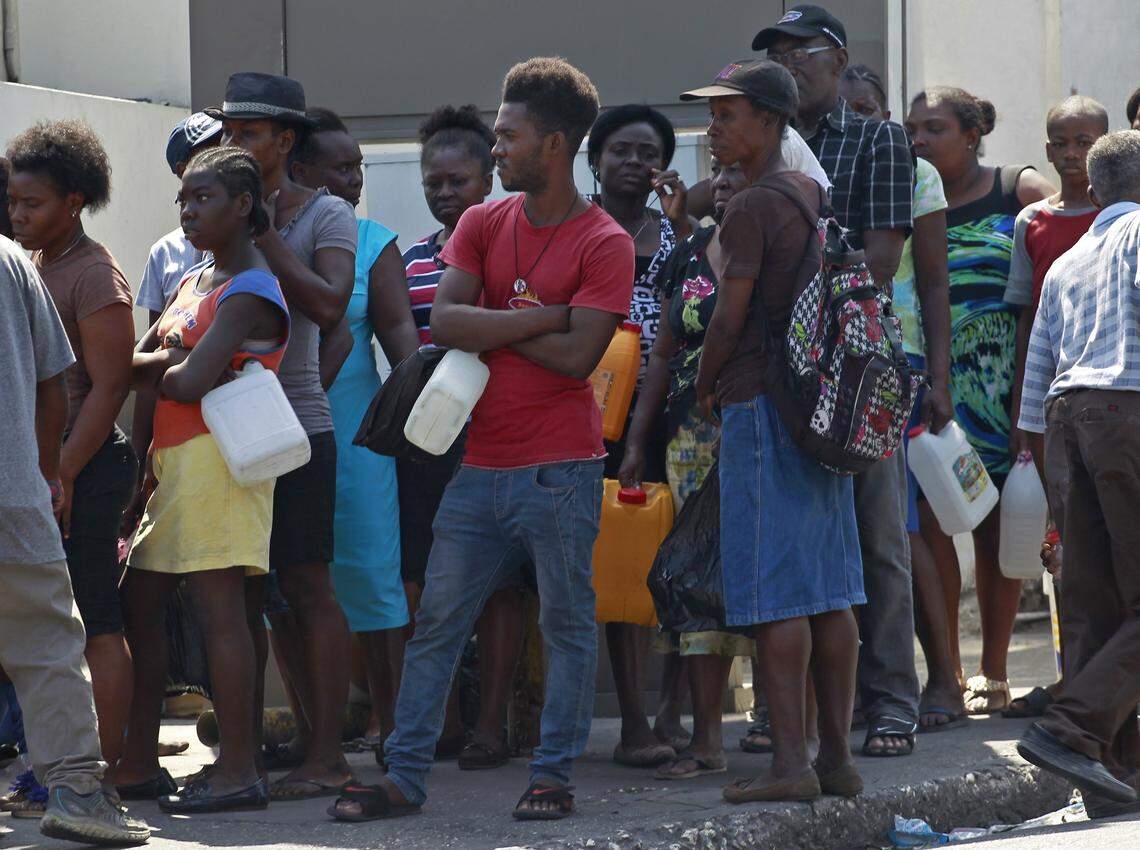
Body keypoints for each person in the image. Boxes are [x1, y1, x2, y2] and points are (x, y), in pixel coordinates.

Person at [330, 56, 632, 822]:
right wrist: (541, 314)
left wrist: (501, 325)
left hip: (560, 471)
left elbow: (578, 359)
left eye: (509, 136)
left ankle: (552, 777)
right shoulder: (482, 222)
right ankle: (402, 779)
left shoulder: (605, 241)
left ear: (555, 144)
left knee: (566, 625)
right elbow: (450, 323)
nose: (496, 150)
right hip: (477, 463)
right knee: (437, 624)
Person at [679, 58, 864, 804]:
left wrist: (703, 383)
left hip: (761, 402)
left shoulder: (752, 205)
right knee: (829, 592)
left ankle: (789, 766)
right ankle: (835, 760)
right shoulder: (810, 192)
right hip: (821, 412)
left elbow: (728, 313)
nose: (714, 129)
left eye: (727, 114)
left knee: (779, 595)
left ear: (768, 122)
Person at [751, 3, 918, 757]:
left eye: (801, 51)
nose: (789, 64)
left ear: (839, 56)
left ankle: (891, 704)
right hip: (776, 371)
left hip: (856, 367)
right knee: (792, 539)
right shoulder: (763, 146)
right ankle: (793, 715)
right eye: (776, 54)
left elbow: (879, 263)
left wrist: (791, 293)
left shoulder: (880, 139)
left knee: (876, 538)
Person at [116, 147, 291, 813]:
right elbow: (161, 369)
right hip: (172, 466)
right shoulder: (196, 281)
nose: (188, 211)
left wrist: (163, 360)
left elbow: (183, 379)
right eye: (183, 201)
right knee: (141, 607)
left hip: (220, 466)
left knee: (222, 613)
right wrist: (140, 464)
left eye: (203, 198)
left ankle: (238, 771)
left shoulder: (251, 289)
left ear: (243, 206)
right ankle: (137, 763)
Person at [211, 72, 358, 800]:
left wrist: (263, 232)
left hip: (298, 424)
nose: (232, 143)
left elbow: (332, 308)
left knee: (307, 586)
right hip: (226, 435)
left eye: (247, 134)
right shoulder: (216, 209)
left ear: (285, 141)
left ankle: (329, 755)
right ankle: (258, 751)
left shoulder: (324, 215)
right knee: (243, 594)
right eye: (227, 132)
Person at [905, 86, 1055, 715]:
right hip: (935, 387)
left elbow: (1069, 230)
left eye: (933, 128)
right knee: (936, 526)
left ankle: (996, 673)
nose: (918, 141)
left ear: (971, 135)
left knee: (998, 532)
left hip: (1003, 387)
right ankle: (950, 673)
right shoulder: (906, 194)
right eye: (912, 129)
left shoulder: (1014, 188)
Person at [0, 232, 149, 845]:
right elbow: (52, 384)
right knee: (48, 645)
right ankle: (79, 792)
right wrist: (43, 475)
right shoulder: (11, 260)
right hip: (12, 491)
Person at [7, 120, 137, 793]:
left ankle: (100, 777)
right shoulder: (30, 265)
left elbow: (108, 386)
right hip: (41, 470)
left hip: (84, 465)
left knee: (92, 621)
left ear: (74, 203)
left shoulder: (93, 272)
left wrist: (63, 472)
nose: (18, 215)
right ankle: (49, 767)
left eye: (33, 204)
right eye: (14, 203)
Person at [1015, 129, 1140, 818]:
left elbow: (1038, 373)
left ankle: (1111, 775)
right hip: (1128, 410)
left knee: (1097, 605)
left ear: (1093, 188)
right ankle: (1073, 729)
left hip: (1066, 421)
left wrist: (1039, 463)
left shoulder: (1069, 256)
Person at [620, 155, 755, 781]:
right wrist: (635, 445)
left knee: (760, 580)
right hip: (689, 441)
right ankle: (701, 736)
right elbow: (662, 355)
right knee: (689, 578)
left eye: (741, 177)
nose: (726, 186)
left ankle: (788, 730)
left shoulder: (791, 249)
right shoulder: (690, 251)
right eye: (719, 177)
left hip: (762, 438)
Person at [401, 104, 527, 769]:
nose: (446, 193)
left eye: (459, 180)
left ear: (489, 181)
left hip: (502, 435)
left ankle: (491, 726)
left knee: (500, 585)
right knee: (425, 581)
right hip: (431, 440)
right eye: (435, 182)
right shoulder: (412, 259)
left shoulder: (516, 251)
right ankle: (442, 722)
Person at [837, 65, 962, 733]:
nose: (856, 121)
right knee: (854, 533)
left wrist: (938, 379)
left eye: (868, 110)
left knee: (900, 532)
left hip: (898, 358)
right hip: (830, 360)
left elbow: (935, 284)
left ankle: (941, 677)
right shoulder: (814, 160)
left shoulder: (912, 172)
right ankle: (859, 686)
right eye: (846, 110)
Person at [290, 106, 419, 751]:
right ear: (301, 170)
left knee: (372, 572)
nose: (353, 179)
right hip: (285, 432)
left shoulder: (373, 242)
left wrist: (416, 428)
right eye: (340, 168)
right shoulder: (271, 242)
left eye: (359, 167)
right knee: (297, 581)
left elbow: (401, 339)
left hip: (361, 434)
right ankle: (316, 731)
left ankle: (392, 725)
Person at [586, 103, 694, 768]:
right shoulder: (576, 227)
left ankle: (674, 710)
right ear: (594, 159)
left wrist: (684, 225)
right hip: (597, 417)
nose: (632, 162)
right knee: (622, 563)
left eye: (645, 152)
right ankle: (631, 720)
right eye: (619, 150)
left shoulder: (679, 233)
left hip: (677, 415)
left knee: (681, 563)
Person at [127, 112, 223, 507]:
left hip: (232, 432)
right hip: (175, 437)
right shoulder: (167, 255)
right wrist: (138, 460)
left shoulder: (251, 266)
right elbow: (146, 361)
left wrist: (177, 364)